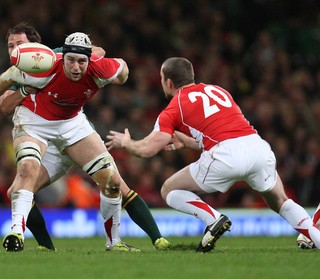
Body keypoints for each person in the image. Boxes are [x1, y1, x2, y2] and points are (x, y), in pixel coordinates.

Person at [0, 30, 169, 252]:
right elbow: (8, 77)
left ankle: (114, 243)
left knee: (112, 180)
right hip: (35, 123)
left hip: (72, 124)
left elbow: (122, 68)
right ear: (63, 58)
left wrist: (122, 75)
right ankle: (16, 234)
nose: (76, 67)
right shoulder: (42, 68)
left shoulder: (100, 68)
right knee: (27, 169)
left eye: (82, 61)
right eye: (71, 60)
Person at [106, 57, 320, 252]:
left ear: (168, 82)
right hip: (257, 147)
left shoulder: (175, 106)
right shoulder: (219, 91)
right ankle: (315, 238)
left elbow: (148, 149)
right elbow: (224, 132)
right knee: (280, 201)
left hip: (226, 156)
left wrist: (126, 143)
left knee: (169, 189)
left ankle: (213, 218)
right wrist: (189, 142)